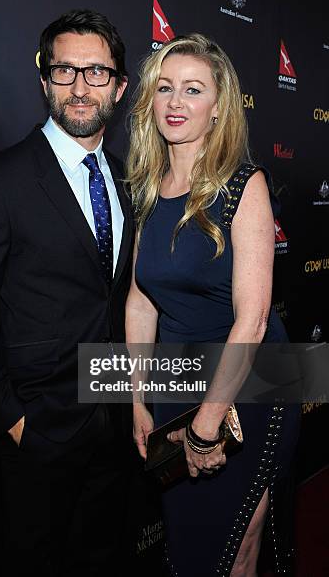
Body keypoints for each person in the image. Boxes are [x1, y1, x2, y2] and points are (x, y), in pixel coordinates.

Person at [0, 9, 134, 576]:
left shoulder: (127, 179)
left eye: (96, 72)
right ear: (44, 79)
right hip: (39, 436)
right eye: (65, 70)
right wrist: (16, 423)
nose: (79, 86)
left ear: (119, 87)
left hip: (116, 428)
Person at [125, 34, 300, 576]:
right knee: (187, 546)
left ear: (218, 107)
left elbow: (253, 316)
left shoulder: (245, 186)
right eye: (165, 88)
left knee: (233, 551)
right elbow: (139, 301)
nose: (176, 102)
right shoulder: (149, 187)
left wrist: (208, 421)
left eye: (193, 90)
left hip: (251, 387)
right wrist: (135, 400)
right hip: (175, 384)